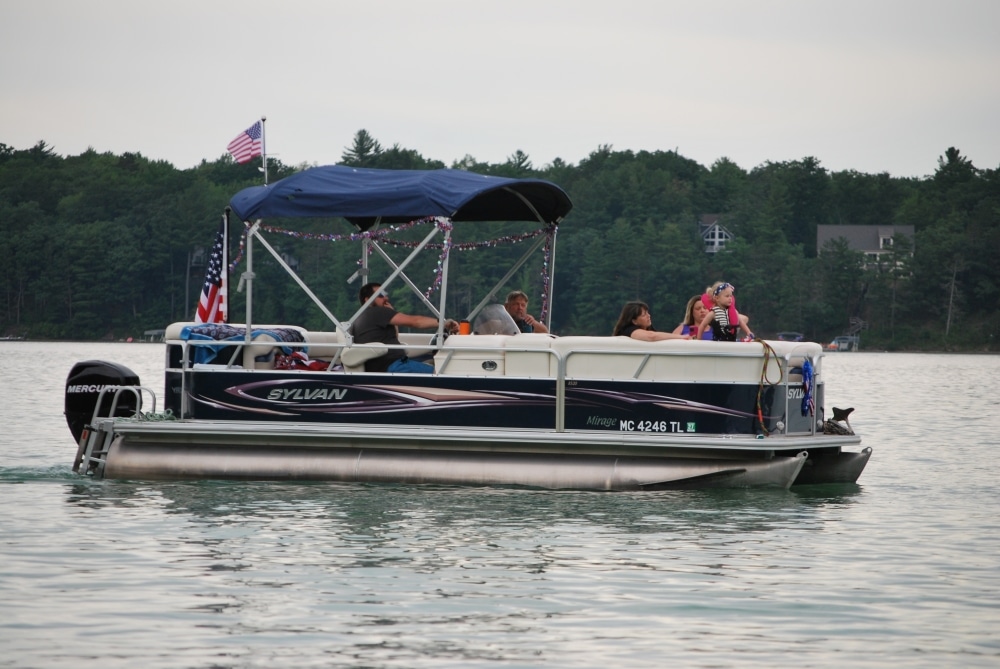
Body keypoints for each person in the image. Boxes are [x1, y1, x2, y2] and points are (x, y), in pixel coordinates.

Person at [352, 282, 458, 373]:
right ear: (367, 300)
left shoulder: (363, 316)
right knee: (443, 372)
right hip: (393, 365)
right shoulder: (377, 312)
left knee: (432, 363)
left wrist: (391, 314)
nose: (386, 298)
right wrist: (444, 323)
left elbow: (394, 338)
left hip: (387, 365)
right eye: (380, 295)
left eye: (385, 294)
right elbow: (415, 322)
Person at [612, 301, 691, 341]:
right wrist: (682, 337)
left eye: (648, 313)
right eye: (644, 315)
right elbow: (651, 336)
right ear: (634, 321)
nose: (648, 316)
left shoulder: (649, 328)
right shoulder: (628, 330)